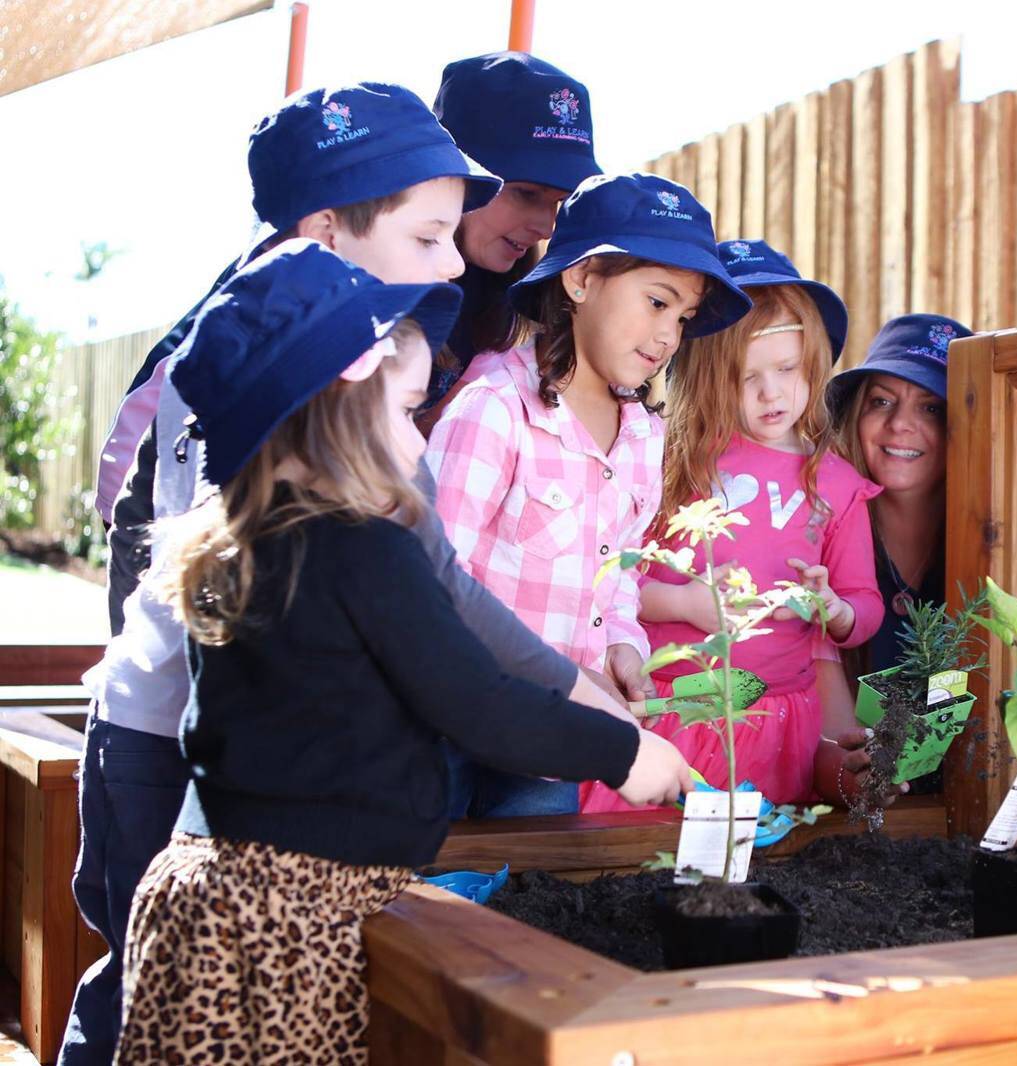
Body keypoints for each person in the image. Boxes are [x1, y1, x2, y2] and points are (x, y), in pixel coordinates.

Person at [62, 83, 567, 1066]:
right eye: (427, 237)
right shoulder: (246, 362)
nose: (450, 260)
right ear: (326, 232)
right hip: (172, 746)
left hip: (236, 759)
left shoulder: (361, 359)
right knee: (147, 993)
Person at [115, 240, 691, 1063]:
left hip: (205, 899)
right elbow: (477, 703)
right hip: (293, 918)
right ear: (327, 411)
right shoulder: (362, 549)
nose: (419, 446)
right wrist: (624, 751)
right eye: (403, 413)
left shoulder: (244, 544)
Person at [425, 173, 752, 817]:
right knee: (430, 873)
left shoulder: (644, 437)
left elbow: (619, 573)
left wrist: (623, 647)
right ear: (580, 280)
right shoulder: (494, 410)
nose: (668, 336)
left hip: (553, 747)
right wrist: (566, 681)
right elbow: (430, 584)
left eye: (683, 319)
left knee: (538, 875)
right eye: (656, 302)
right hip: (447, 730)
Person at [582, 239, 883, 811]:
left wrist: (836, 611)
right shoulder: (671, 462)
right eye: (747, 377)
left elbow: (864, 601)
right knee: (644, 847)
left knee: (754, 848)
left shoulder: (837, 484)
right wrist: (684, 603)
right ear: (709, 376)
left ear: (813, 363)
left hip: (777, 719)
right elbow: (609, 579)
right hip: (673, 708)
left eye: (788, 369)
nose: (772, 393)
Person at [820, 314, 1017, 785]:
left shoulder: (998, 530)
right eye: (881, 401)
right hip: (863, 792)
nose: (901, 424)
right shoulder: (824, 523)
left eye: (931, 408)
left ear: (968, 423)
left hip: (994, 792)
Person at [423, 52, 604, 416]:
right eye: (526, 194)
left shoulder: (520, 304)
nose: (546, 227)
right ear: (454, 174)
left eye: (558, 202)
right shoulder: (363, 286)